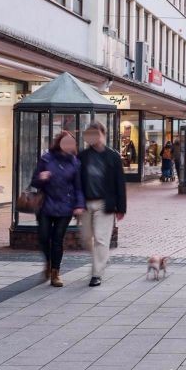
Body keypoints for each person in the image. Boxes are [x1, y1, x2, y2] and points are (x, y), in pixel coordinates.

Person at [31, 131, 85, 287]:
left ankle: (55, 272)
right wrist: (41, 178)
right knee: (43, 237)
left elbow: (78, 187)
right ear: (59, 143)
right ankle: (48, 262)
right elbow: (34, 181)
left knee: (57, 240)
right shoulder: (46, 159)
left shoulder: (75, 162)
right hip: (45, 205)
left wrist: (79, 205)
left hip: (65, 207)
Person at [78, 122, 127, 287]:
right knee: (85, 238)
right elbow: (76, 182)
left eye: (96, 133)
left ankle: (96, 273)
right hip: (86, 203)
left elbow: (120, 182)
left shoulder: (112, 156)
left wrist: (121, 208)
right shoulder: (83, 156)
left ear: (103, 134)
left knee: (101, 238)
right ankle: (101, 257)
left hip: (104, 204)